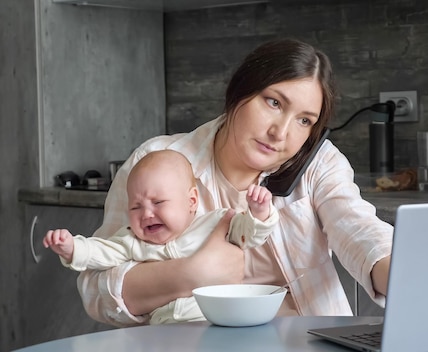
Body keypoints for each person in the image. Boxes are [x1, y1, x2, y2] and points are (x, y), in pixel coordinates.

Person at [78, 38, 393, 326]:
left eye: (304, 120)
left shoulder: (319, 162)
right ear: (239, 91)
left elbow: (358, 229)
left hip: (307, 342)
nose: (280, 133)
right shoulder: (157, 160)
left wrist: (399, 274)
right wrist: (190, 275)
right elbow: (96, 290)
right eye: (273, 102)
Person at [44, 150, 278, 324]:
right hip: (164, 330)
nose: (146, 214)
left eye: (158, 202)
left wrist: (259, 214)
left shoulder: (215, 223)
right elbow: (101, 250)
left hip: (218, 323)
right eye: (135, 207)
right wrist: (72, 248)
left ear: (191, 201)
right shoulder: (132, 241)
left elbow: (250, 234)